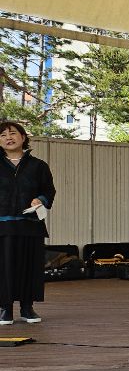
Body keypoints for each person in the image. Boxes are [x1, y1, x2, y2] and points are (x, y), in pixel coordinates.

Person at [0, 121, 56, 325]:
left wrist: (40, 199)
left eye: (13, 133)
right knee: (4, 268)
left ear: (23, 137)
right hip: (3, 225)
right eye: (3, 135)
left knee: (29, 267)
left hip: (31, 225)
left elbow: (49, 190)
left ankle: (27, 308)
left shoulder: (38, 166)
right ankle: (5, 309)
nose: (8, 137)